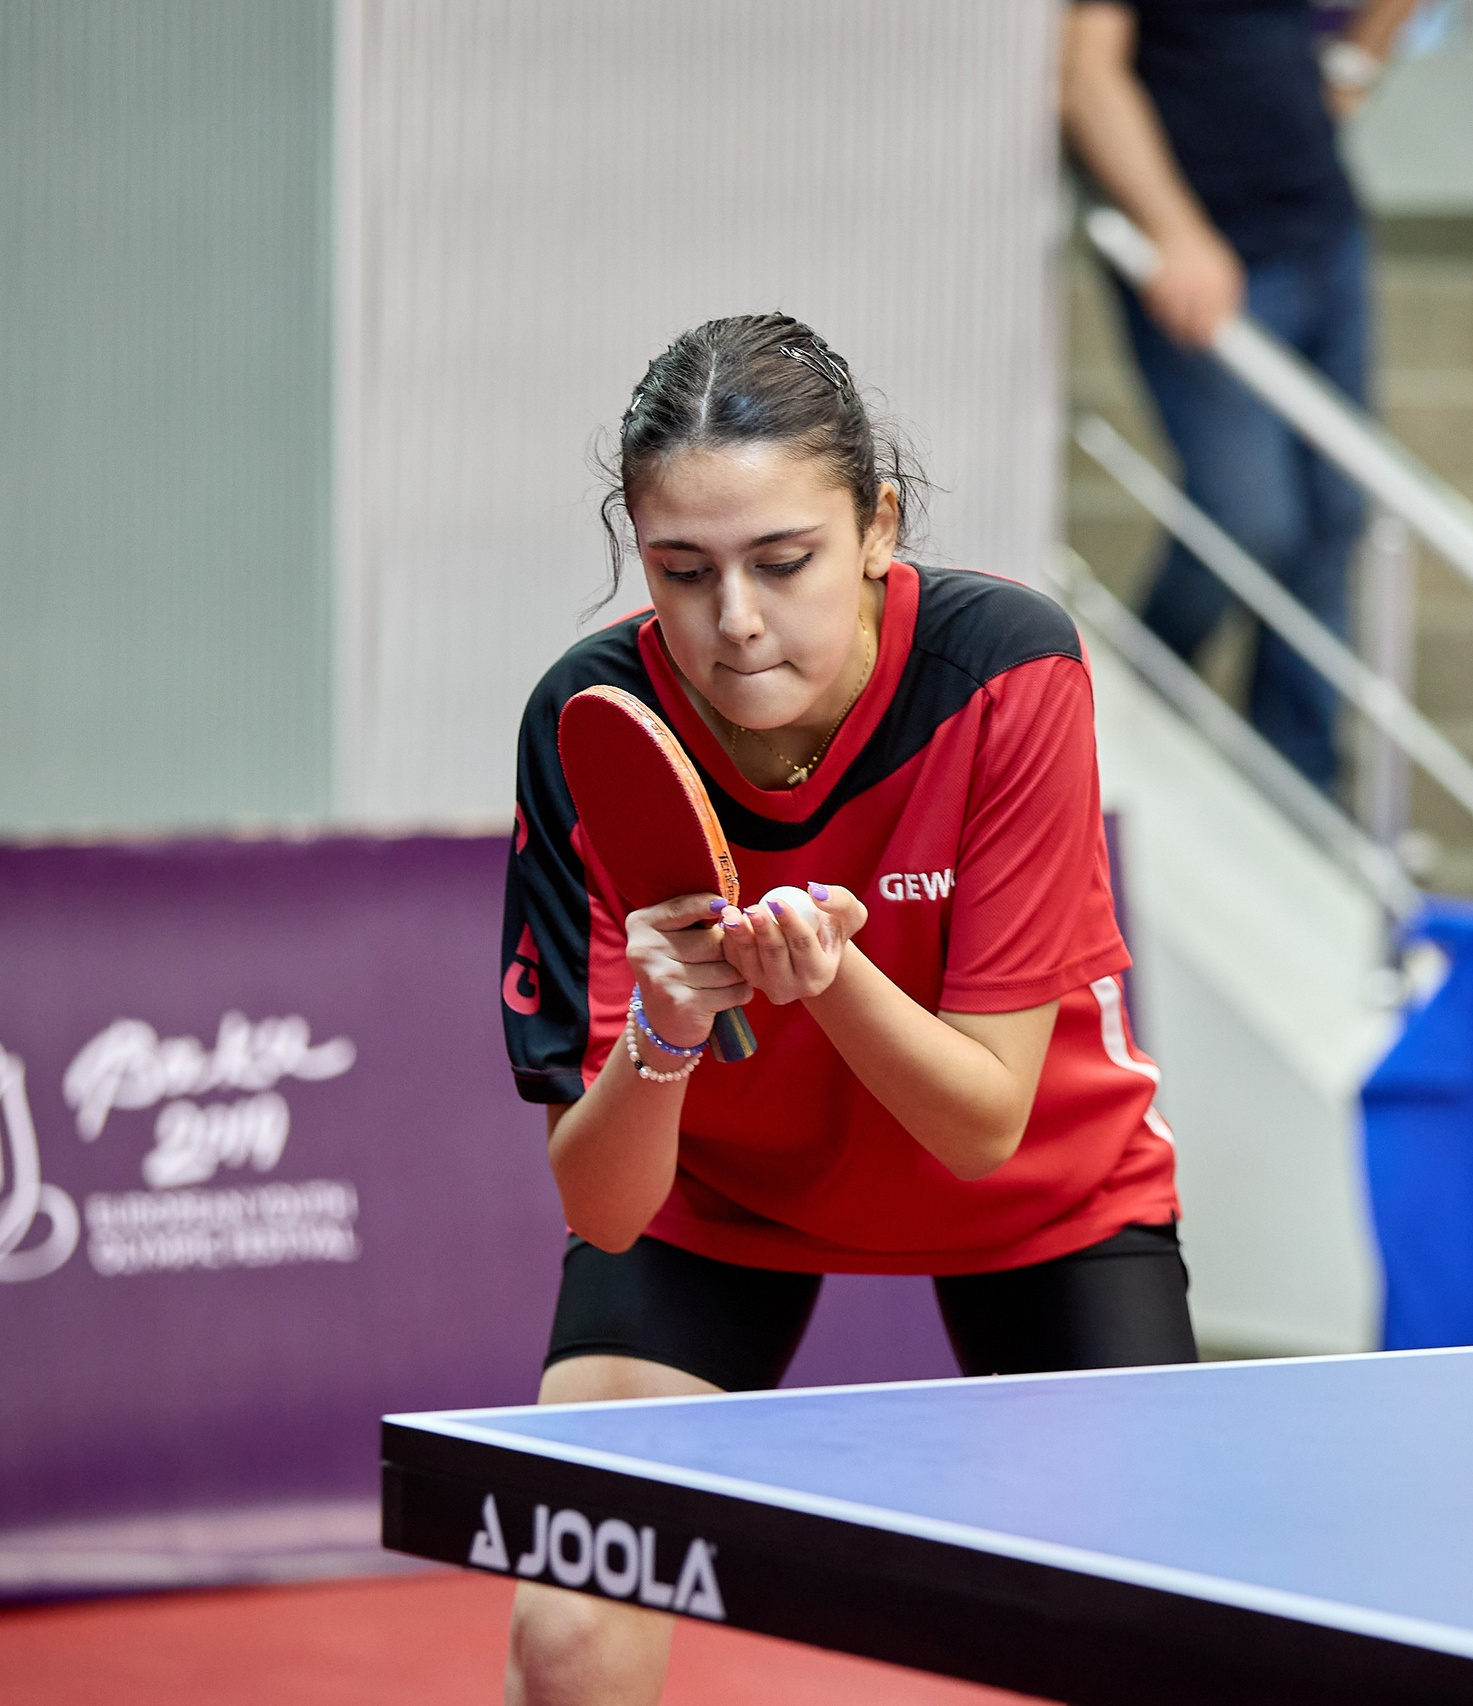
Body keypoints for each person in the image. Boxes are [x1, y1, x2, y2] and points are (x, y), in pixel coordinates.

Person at [499, 314, 1194, 1705]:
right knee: (571, 1632)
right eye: (683, 570)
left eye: (784, 561)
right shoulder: (596, 716)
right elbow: (608, 1206)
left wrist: (833, 975)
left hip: (1039, 1201)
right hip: (721, 1203)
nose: (736, 620)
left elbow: (985, 1123)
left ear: (876, 525)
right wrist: (670, 1033)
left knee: (1160, 1642)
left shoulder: (1004, 668)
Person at [1060, 0, 1419, 789]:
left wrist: (1355, 65)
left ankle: (1299, 788)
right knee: (1249, 517)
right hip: (1208, 252)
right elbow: (1085, 76)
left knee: (1332, 522)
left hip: (1324, 229)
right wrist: (1174, 231)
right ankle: (1112, 709)